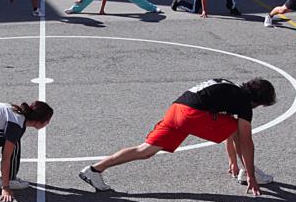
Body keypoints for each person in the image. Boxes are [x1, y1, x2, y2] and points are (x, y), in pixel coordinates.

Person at [77, 78, 277, 195]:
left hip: (177, 109)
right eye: (259, 105)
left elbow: (229, 131)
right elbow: (246, 141)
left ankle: (95, 169)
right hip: (192, 114)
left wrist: (232, 161)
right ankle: (248, 173)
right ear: (256, 100)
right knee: (238, 130)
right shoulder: (243, 103)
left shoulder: (228, 88)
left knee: (145, 150)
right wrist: (251, 175)